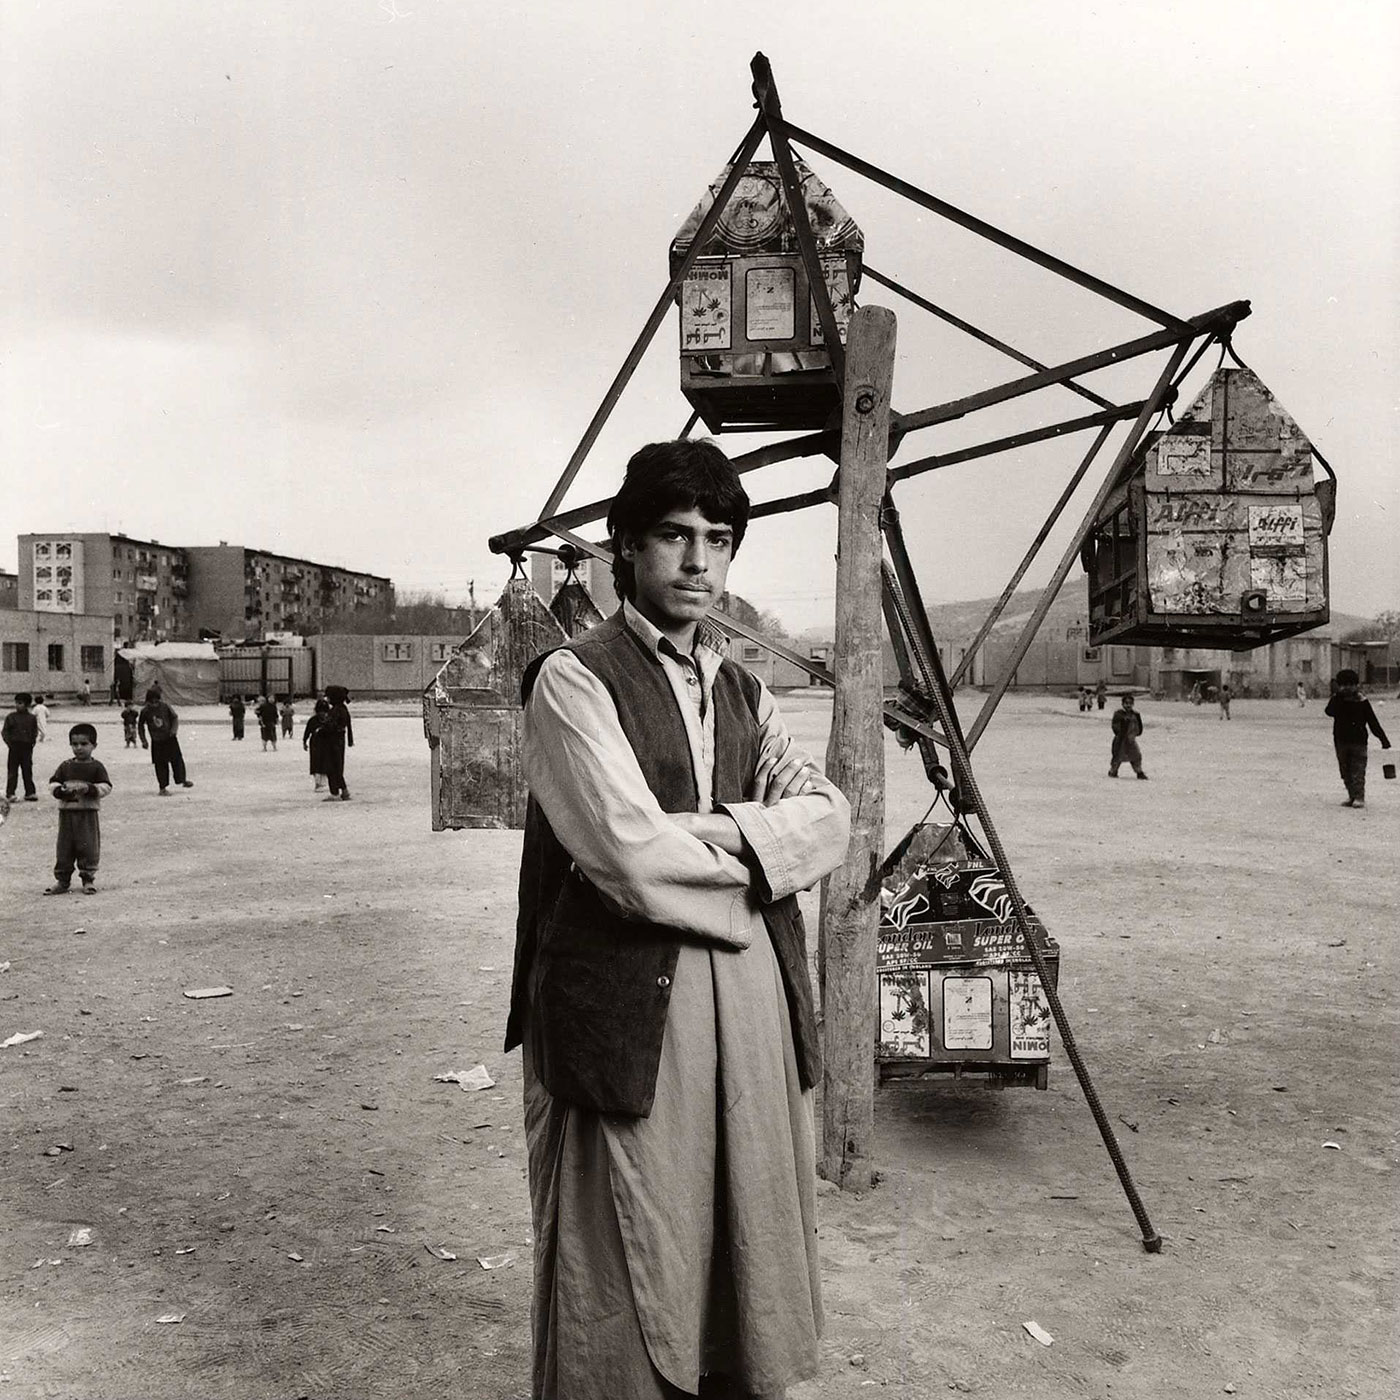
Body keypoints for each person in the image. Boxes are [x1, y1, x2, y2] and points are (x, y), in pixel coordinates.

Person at [507, 439, 852, 1399]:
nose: (700, 562)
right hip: (624, 1008)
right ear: (624, 546)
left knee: (742, 1223)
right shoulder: (573, 679)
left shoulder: (743, 685)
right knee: (626, 1240)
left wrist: (707, 829)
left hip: (748, 999)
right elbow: (624, 853)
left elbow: (829, 818)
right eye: (674, 537)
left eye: (720, 540)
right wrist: (760, 852)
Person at [44, 722, 111, 895]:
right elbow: (53, 783)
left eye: (84, 744)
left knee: (88, 847)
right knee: (64, 847)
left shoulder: (97, 767)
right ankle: (62, 880)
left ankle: (88, 879)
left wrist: (90, 788)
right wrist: (59, 791)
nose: (79, 748)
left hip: (87, 813)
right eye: (75, 744)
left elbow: (106, 786)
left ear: (94, 746)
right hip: (67, 814)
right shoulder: (65, 766)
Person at [1325, 668, 1390, 809]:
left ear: (1356, 685)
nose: (1348, 687)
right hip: (1341, 741)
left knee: (1358, 770)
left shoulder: (1362, 701)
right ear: (1340, 685)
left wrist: (1383, 739)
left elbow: (1373, 721)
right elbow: (1329, 712)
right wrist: (1337, 696)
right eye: (1344, 684)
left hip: (1359, 742)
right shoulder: (1338, 699)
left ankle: (1359, 797)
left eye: (1351, 684)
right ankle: (1352, 795)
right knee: (1345, 770)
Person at [138, 688, 194, 795]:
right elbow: (140, 726)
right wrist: (144, 740)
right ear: (148, 701)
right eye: (152, 702)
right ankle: (162, 788)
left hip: (170, 738)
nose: (154, 704)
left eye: (156, 701)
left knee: (177, 760)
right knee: (160, 765)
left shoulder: (165, 706)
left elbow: (174, 718)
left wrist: (173, 731)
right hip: (157, 741)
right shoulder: (145, 711)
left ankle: (182, 780)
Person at [3, 693, 40, 803]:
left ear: (27, 705)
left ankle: (30, 792)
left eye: (20, 703)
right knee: (12, 771)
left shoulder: (32, 718)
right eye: (16, 703)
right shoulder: (11, 717)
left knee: (27, 770)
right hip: (14, 747)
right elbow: (5, 732)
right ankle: (10, 793)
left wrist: (32, 742)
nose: (17, 705)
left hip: (27, 747)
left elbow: (35, 731)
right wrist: (9, 743)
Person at [320, 686, 354, 801]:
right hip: (339, 740)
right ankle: (344, 791)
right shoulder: (342, 709)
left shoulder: (335, 711)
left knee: (332, 766)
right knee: (337, 766)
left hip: (332, 741)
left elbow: (330, 726)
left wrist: (321, 730)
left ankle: (335, 792)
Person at [1109, 692, 1148, 779]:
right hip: (1121, 739)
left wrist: (1136, 733)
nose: (1128, 705)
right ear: (1122, 704)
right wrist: (1119, 732)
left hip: (1131, 740)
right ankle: (1113, 770)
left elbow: (1139, 726)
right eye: (1126, 703)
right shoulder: (1119, 714)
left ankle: (1139, 771)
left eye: (1130, 703)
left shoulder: (1135, 715)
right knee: (1118, 755)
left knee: (1136, 755)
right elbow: (1115, 725)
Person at [303, 698, 332, 791]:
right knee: (316, 762)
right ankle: (318, 783)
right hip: (316, 744)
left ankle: (323, 782)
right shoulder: (313, 720)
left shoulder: (329, 720)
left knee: (325, 762)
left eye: (324, 711)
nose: (322, 713)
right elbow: (307, 732)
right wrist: (304, 741)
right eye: (320, 711)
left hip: (326, 743)